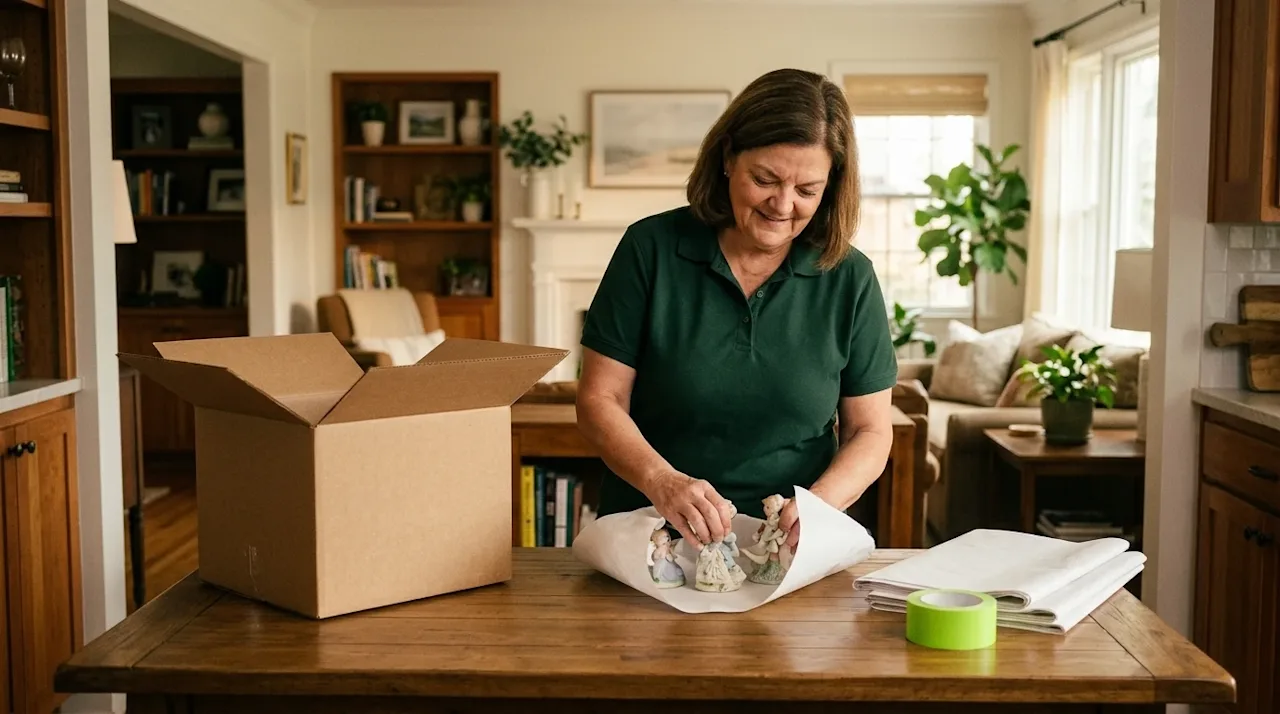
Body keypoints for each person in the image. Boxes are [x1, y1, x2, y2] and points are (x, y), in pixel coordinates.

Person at [575, 67, 898, 554]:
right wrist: (661, 480)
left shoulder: (849, 277)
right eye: (765, 179)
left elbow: (870, 430)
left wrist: (820, 505)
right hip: (652, 536)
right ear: (728, 157)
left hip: (790, 548)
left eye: (807, 190)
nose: (782, 205)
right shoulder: (650, 249)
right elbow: (599, 399)